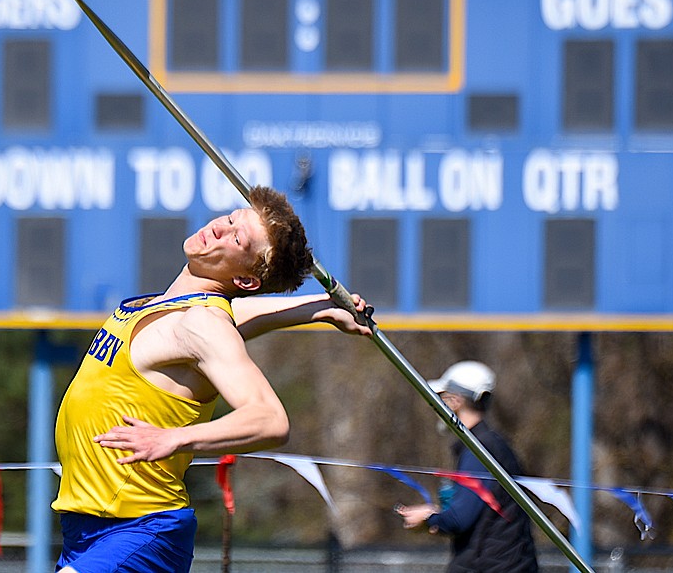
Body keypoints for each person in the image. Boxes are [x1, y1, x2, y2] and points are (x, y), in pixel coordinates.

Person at [52, 185, 371, 573]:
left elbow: (270, 420)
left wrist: (173, 438)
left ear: (247, 280)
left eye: (238, 238)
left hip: (141, 529)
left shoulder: (205, 324)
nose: (220, 227)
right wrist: (318, 309)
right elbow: (244, 319)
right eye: (232, 217)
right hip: (86, 528)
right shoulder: (164, 308)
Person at [395, 360, 538, 573]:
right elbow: (476, 511)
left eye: (442, 398)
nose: (437, 405)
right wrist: (434, 514)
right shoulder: (492, 445)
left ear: (455, 401)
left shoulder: (480, 449)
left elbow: (459, 519)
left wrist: (427, 519)